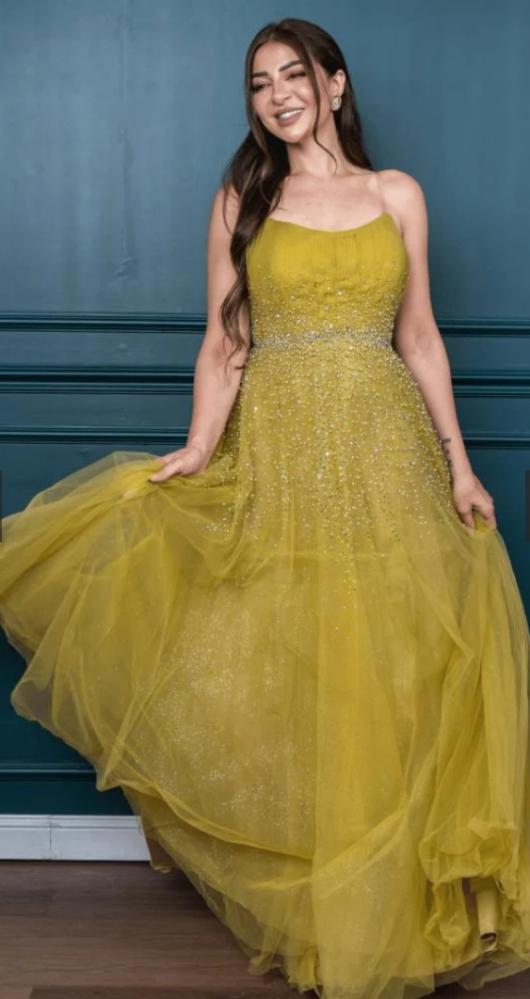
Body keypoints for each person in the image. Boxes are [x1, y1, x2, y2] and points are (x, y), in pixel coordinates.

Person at [2, 15, 530, 999]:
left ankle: (396, 915)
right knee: (294, 672)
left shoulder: (396, 193)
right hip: (281, 457)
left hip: (386, 454)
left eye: (294, 74)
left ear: (334, 83)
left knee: (393, 674)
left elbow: (418, 337)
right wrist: (199, 447)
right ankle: (323, 914)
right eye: (259, 82)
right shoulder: (242, 199)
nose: (278, 93)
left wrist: (459, 467)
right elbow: (225, 342)